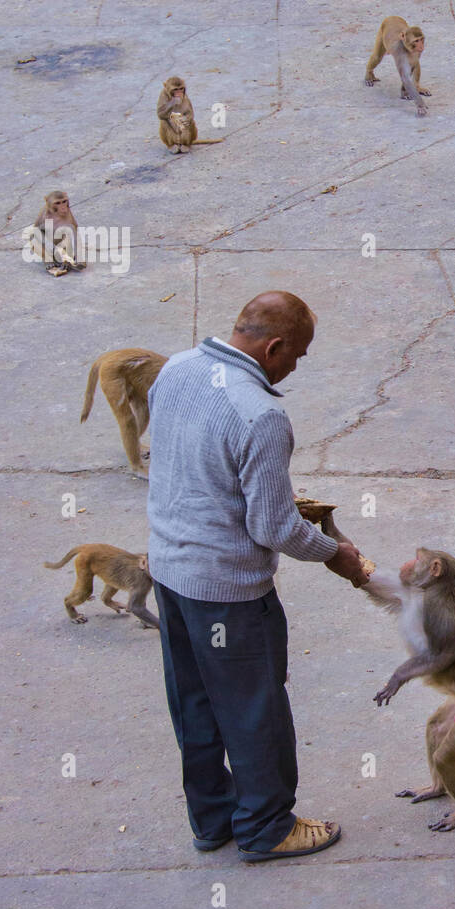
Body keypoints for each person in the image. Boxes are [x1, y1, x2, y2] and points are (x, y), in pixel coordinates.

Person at [146, 291, 368, 862]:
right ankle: (267, 825)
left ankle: (212, 818)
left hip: (170, 575)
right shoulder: (262, 413)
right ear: (274, 348)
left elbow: (194, 460)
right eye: (298, 356)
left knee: (194, 702)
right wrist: (335, 553)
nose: (297, 368)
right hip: (229, 593)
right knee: (254, 709)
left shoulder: (176, 368)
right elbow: (274, 529)